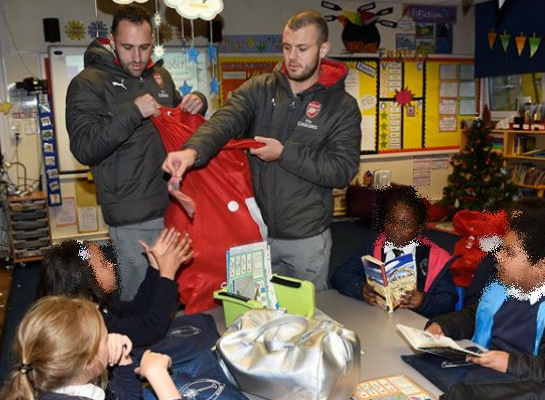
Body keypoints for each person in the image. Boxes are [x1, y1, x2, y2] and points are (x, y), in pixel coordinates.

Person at [162, 10, 361, 291]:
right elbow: (225, 121)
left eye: (302, 49)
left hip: (306, 240)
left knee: (304, 321)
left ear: (323, 49)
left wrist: (284, 153)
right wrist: (191, 152)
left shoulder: (342, 107)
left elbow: (341, 170)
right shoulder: (260, 89)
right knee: (250, 313)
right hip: (253, 234)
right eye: (287, 47)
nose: (292, 57)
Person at [66, 4, 207, 301]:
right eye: (128, 47)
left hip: (173, 205)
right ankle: (133, 348)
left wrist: (197, 102)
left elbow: (179, 119)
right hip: (131, 215)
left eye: (144, 47)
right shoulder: (88, 83)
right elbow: (84, 147)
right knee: (138, 299)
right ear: (113, 42)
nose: (138, 57)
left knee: (169, 293)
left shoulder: (159, 77)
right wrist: (132, 112)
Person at [426, 198, 545, 381]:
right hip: (479, 376)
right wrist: (444, 325)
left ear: (540, 266)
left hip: (520, 387)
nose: (498, 257)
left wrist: (510, 362)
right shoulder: (500, 286)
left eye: (509, 252)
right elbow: (477, 315)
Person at [0, 295, 183, 400]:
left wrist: (122, 359)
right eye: (104, 338)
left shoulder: (42, 379)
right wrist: (158, 375)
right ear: (88, 362)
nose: (110, 338)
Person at [38, 227, 192, 347]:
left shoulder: (95, 303)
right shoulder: (93, 324)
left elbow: (136, 310)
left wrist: (154, 268)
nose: (111, 265)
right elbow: (151, 329)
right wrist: (167, 276)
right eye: (104, 264)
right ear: (87, 280)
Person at [331, 186, 458, 318]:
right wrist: (360, 289)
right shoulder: (373, 246)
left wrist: (423, 302)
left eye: (405, 225)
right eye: (391, 222)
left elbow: (448, 302)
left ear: (419, 228)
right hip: (377, 318)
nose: (396, 229)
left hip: (417, 324)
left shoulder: (435, 258)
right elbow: (340, 275)